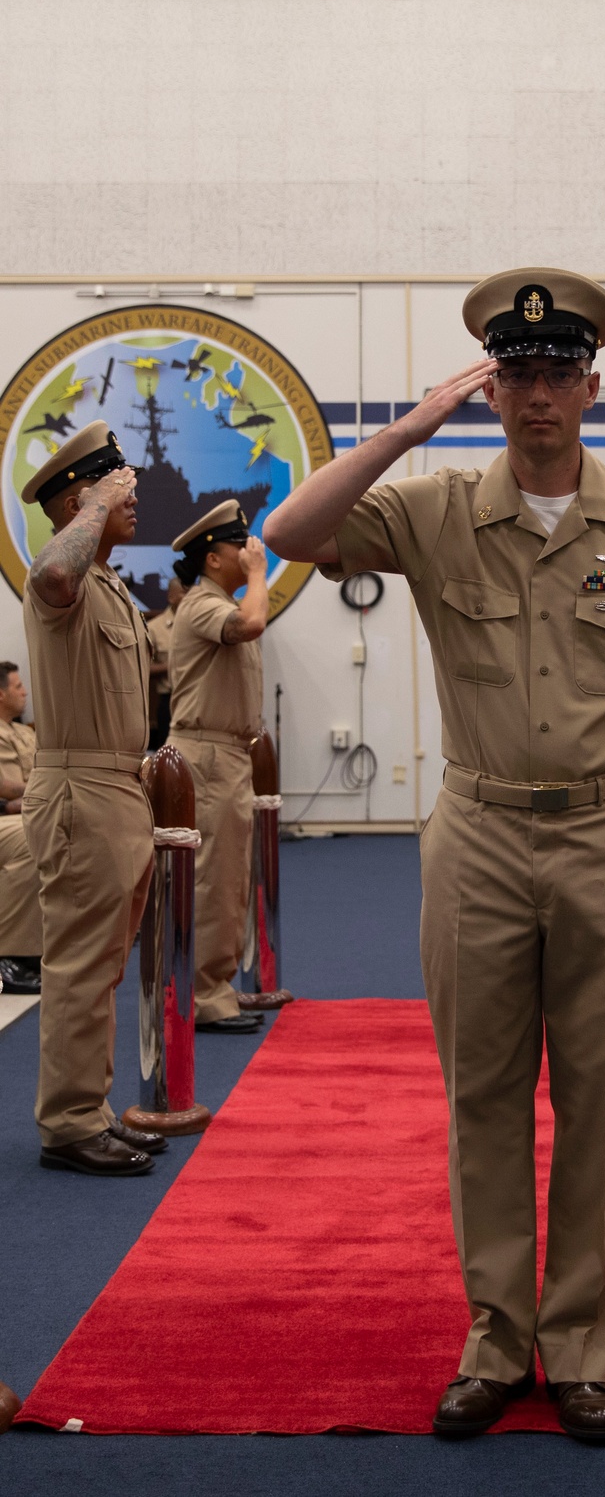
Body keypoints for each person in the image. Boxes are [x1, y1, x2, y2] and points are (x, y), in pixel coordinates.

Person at [263, 267, 605, 1442]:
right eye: (516, 373)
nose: (538, 393)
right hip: (477, 836)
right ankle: (494, 1341)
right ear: (493, 392)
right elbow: (289, 530)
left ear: (591, 386)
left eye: (557, 373)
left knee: (594, 1102)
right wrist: (407, 427)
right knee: (482, 1099)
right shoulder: (431, 511)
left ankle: (580, 1348)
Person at [18, 420, 164, 1176]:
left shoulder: (107, 582)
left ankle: (91, 1107)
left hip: (118, 789)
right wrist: (94, 508)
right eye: (117, 485)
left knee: (102, 963)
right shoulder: (62, 578)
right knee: (80, 964)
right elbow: (48, 575)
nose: (131, 496)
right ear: (79, 497)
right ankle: (69, 1123)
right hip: (81, 789)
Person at [167, 502, 272, 1035]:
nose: (252, 552)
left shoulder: (216, 599)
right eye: (241, 546)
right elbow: (252, 623)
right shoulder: (203, 604)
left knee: (229, 877)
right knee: (212, 880)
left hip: (226, 756)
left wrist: (251, 575)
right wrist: (259, 576)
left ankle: (216, 984)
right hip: (206, 756)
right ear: (213, 559)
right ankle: (204, 994)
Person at [0, 661, 42, 995]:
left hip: (24, 809)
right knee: (32, 839)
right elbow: (10, 788)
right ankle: (10, 955)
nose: (25, 691)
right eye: (17, 687)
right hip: (7, 816)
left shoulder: (24, 731)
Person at [146, 576, 187, 750]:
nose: (191, 597)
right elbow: (140, 668)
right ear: (171, 597)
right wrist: (170, 666)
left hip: (200, 703)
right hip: (169, 703)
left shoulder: (203, 623)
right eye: (185, 592)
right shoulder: (154, 627)